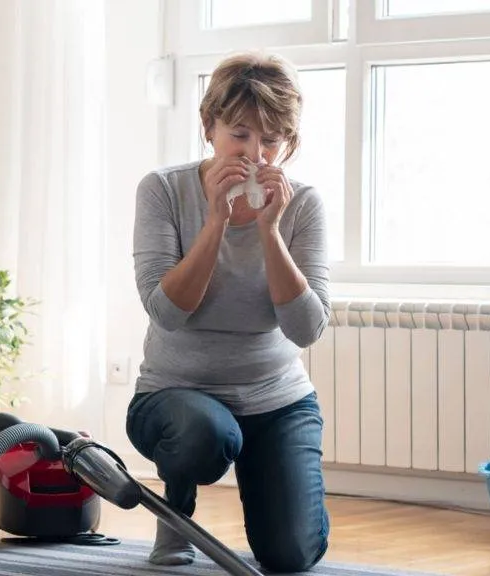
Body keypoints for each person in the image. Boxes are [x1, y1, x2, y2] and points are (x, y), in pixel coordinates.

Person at [126, 52, 331, 573]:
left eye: (271, 140)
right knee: (206, 435)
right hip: (176, 397)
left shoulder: (303, 205)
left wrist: (268, 232)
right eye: (239, 134)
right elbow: (167, 312)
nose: (256, 154)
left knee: (291, 556)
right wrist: (216, 220)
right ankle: (176, 507)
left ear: (290, 142)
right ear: (208, 127)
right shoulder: (163, 191)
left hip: (276, 399)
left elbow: (306, 328)